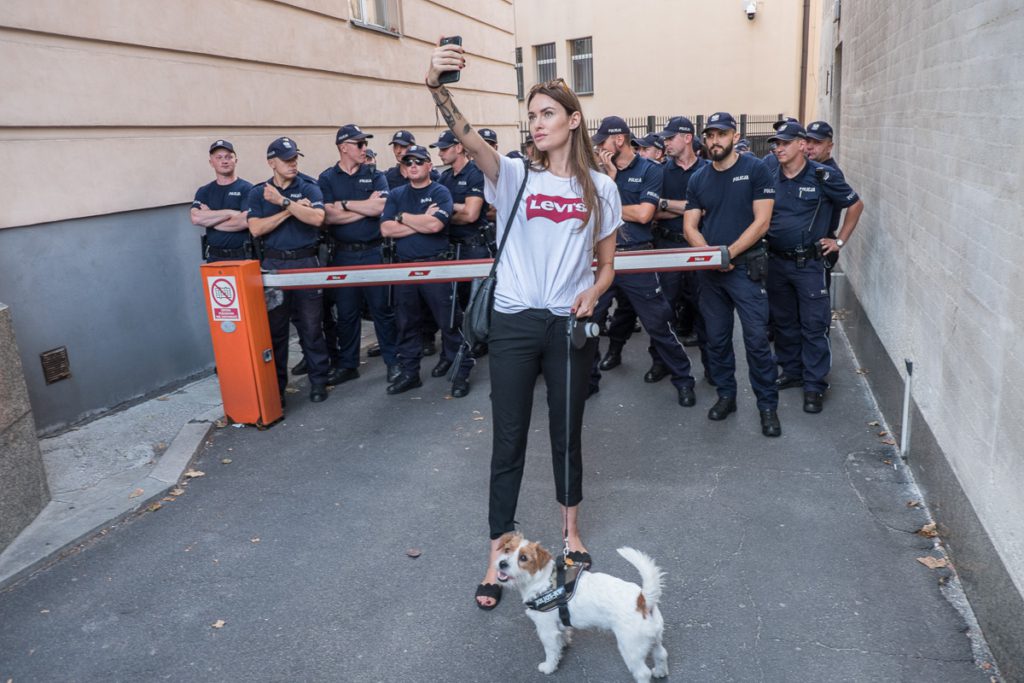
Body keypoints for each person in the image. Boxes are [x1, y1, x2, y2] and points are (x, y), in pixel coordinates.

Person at [426, 44, 621, 610]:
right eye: (531, 115)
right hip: (512, 323)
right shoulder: (513, 176)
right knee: (508, 440)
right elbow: (469, 140)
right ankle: (498, 554)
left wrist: (595, 290)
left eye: (546, 114)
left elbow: (607, 264)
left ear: (572, 120)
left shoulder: (600, 189)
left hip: (567, 325)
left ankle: (570, 533)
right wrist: (438, 88)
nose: (536, 124)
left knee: (567, 433)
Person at [683, 112, 781, 437]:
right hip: (712, 273)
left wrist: (729, 253)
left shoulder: (755, 170)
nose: (714, 141)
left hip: (746, 269)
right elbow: (689, 226)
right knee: (717, 339)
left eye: (720, 134)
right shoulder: (698, 178)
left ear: (734, 135)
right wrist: (712, 256)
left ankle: (767, 406)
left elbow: (762, 222)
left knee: (755, 340)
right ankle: (727, 396)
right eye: (709, 135)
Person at [590, 116, 696, 405]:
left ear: (619, 140)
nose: (599, 147)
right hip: (602, 257)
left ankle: (683, 379)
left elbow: (644, 215)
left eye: (602, 141)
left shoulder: (649, 170)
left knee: (658, 322)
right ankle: (588, 381)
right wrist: (608, 180)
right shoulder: (596, 172)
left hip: (637, 255)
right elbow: (589, 213)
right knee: (590, 321)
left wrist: (608, 196)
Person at [764, 122, 864, 413]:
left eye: (784, 143)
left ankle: (814, 385)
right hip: (777, 261)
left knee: (813, 325)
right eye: (776, 144)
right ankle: (792, 371)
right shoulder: (771, 175)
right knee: (783, 322)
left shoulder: (824, 175)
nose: (778, 148)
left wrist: (840, 241)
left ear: (800, 145)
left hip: (809, 263)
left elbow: (855, 204)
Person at [380, 145, 474, 396]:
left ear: (429, 166)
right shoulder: (397, 193)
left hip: (436, 266)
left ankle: (461, 372)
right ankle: (410, 373)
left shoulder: (439, 191)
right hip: (404, 268)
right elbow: (386, 229)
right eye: (408, 162)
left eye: (419, 162)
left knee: (449, 322)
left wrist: (402, 218)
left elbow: (435, 226)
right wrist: (417, 218)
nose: (413, 165)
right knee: (406, 324)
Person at [245, 137, 332, 404]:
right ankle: (277, 389)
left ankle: (318, 382)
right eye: (287, 159)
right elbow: (256, 229)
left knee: (311, 327)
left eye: (295, 158)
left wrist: (283, 203)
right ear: (272, 163)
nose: (293, 163)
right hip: (274, 266)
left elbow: (317, 218)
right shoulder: (258, 192)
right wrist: (291, 210)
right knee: (276, 332)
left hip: (305, 262)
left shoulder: (309, 187)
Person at [318, 124, 401, 385]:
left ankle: (393, 362)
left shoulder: (375, 174)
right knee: (347, 313)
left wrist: (344, 205)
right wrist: (364, 209)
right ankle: (348, 364)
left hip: (373, 252)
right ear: (344, 147)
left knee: (381, 310)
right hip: (343, 254)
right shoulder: (327, 178)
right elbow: (327, 215)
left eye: (365, 144)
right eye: (359, 144)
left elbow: (383, 206)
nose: (364, 149)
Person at [652, 116, 711, 377]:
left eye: (670, 138)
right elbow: (652, 211)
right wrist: (692, 210)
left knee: (706, 310)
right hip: (668, 246)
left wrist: (668, 204)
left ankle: (714, 369)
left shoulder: (709, 170)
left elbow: (711, 209)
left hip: (699, 248)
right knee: (664, 309)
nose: (665, 143)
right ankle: (661, 363)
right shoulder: (660, 171)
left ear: (687, 137)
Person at [432, 129, 490, 326]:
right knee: (454, 301)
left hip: (473, 246)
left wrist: (444, 214)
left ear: (459, 147)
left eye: (445, 149)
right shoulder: (444, 178)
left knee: (475, 302)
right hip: (451, 247)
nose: (440, 153)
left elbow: (471, 214)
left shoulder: (476, 173)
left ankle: (477, 342)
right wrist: (457, 208)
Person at [190, 140, 254, 262]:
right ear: (211, 162)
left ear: (236, 160)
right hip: (214, 258)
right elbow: (196, 218)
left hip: (242, 257)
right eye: (219, 157)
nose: (224, 161)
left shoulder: (248, 189)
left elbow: (245, 221)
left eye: (228, 157)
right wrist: (231, 213)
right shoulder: (204, 191)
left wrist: (210, 218)